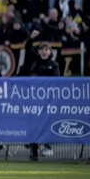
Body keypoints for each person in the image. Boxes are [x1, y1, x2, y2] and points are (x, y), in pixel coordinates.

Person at [22, 30, 60, 161]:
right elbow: (27, 48)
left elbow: (57, 82)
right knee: (33, 125)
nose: (44, 52)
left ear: (50, 52)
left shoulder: (54, 65)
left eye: (46, 50)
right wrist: (30, 38)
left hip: (48, 102)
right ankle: (34, 152)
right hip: (33, 102)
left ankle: (48, 146)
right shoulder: (35, 61)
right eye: (42, 49)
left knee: (46, 124)